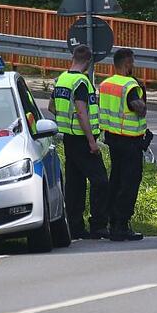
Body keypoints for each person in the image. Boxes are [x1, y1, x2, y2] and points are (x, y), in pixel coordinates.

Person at [48, 44, 110, 240]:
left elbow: (52, 107)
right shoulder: (81, 83)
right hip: (82, 140)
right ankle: (98, 225)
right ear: (89, 61)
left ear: (73, 57)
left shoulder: (62, 80)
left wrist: (66, 120)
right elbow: (82, 112)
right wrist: (92, 141)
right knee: (100, 182)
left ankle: (75, 226)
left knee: (75, 184)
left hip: (68, 139)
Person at [98, 48, 147, 241]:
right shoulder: (130, 85)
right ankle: (121, 225)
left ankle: (112, 222)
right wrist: (142, 94)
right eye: (132, 62)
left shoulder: (106, 83)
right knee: (129, 183)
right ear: (127, 63)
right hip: (130, 141)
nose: (134, 65)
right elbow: (140, 109)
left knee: (115, 180)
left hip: (112, 139)